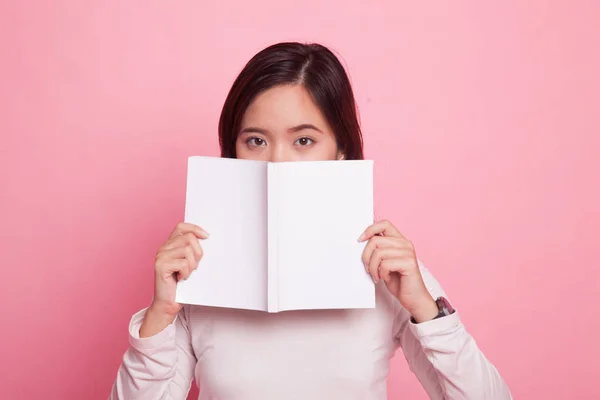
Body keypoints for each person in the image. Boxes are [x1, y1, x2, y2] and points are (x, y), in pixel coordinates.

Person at [110, 42, 512, 400]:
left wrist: (425, 309)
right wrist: (160, 315)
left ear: (340, 151)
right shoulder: (199, 270)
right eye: (256, 141)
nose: (278, 163)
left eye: (303, 140)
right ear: (232, 152)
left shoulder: (385, 266)